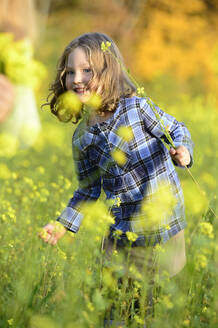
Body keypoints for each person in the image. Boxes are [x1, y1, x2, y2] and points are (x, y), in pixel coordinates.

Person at [40, 32, 193, 321]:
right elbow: (87, 191)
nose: (76, 78)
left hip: (161, 224)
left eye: (87, 70)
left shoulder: (137, 107)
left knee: (153, 304)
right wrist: (63, 225)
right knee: (115, 306)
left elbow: (176, 129)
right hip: (121, 232)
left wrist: (183, 150)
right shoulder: (82, 137)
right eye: (70, 71)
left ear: (109, 71)